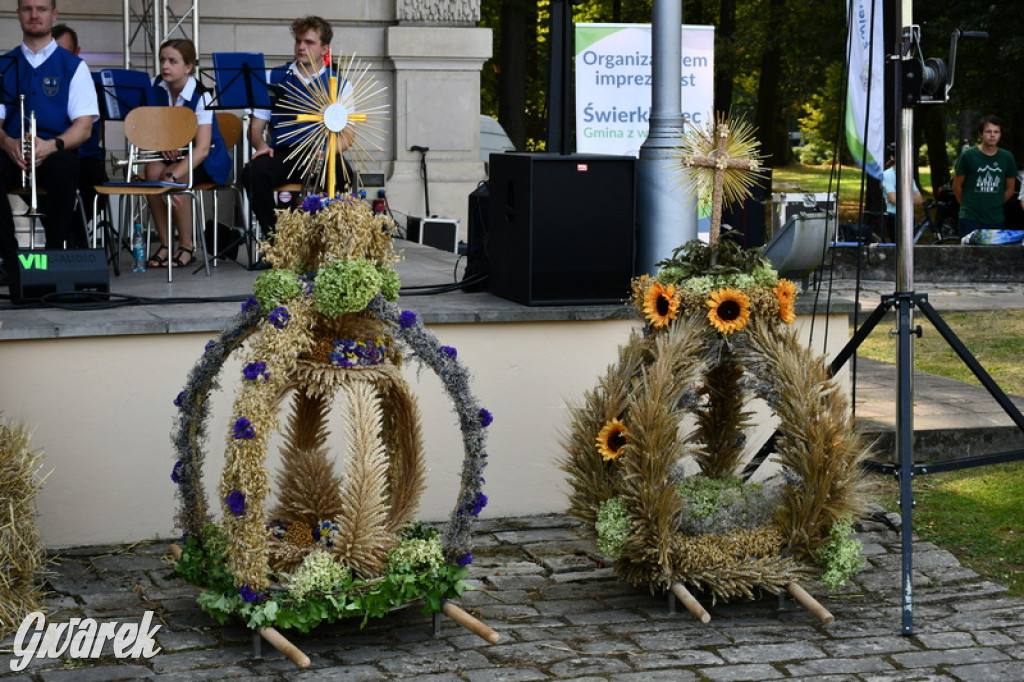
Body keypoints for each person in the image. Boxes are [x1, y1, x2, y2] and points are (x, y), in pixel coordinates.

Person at [0, 0, 99, 294]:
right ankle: (11, 259)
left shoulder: (74, 66)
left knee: (65, 170)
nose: (34, 15)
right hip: (12, 150)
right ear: (18, 13)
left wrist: (51, 145)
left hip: (53, 149)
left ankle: (54, 257)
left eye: (41, 9)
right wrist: (8, 143)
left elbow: (83, 127)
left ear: (53, 15)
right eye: (27, 8)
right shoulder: (4, 64)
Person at [240, 16, 352, 251]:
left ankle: (332, 247)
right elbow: (256, 126)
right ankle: (278, 244)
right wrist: (260, 144)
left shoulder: (339, 83)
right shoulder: (272, 77)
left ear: (324, 49)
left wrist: (324, 153)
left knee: (344, 175)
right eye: (298, 41)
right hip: (284, 152)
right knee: (253, 173)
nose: (301, 47)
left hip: (320, 153)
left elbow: (348, 135)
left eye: (309, 42)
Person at [143, 38, 230, 268]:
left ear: (188, 67)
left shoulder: (202, 95)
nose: (165, 66)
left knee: (174, 175)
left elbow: (201, 150)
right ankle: (164, 244)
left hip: (206, 160)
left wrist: (171, 177)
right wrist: (162, 143)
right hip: (171, 157)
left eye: (172, 61)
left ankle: (186, 245)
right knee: (152, 171)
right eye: (162, 60)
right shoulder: (153, 87)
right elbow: (147, 130)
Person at [51, 23, 108, 242]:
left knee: (98, 187)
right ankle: (62, 233)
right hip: (52, 156)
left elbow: (95, 132)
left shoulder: (87, 82)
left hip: (84, 156)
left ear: (77, 52)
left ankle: (73, 232)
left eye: (65, 53)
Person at [952, 115, 1017, 238]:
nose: (992, 135)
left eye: (996, 132)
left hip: (996, 219)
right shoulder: (968, 156)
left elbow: (1010, 189)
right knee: (970, 255)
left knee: (994, 256)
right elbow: (957, 186)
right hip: (970, 218)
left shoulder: (1007, 157)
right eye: (988, 131)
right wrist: (967, 205)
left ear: (1000, 134)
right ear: (981, 134)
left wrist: (996, 202)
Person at [880, 142, 922, 242]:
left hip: (909, 215)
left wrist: (901, 196)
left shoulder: (908, 174)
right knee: (897, 248)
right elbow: (893, 199)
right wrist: (910, 196)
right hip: (895, 216)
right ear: (892, 157)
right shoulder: (887, 175)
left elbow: (919, 200)